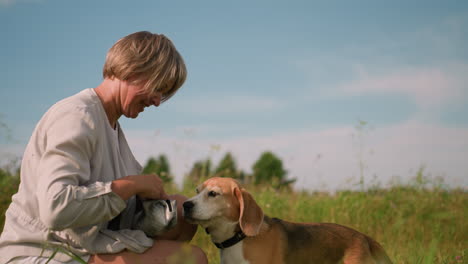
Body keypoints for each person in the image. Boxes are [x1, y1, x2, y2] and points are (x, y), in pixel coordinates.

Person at [0, 31, 208, 264]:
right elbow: (56, 207)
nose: (158, 101)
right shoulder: (77, 115)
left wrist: (147, 203)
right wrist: (132, 185)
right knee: (191, 260)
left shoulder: (112, 127)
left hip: (85, 242)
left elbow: (108, 209)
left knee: (181, 211)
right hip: (43, 249)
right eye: (158, 87)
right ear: (134, 69)